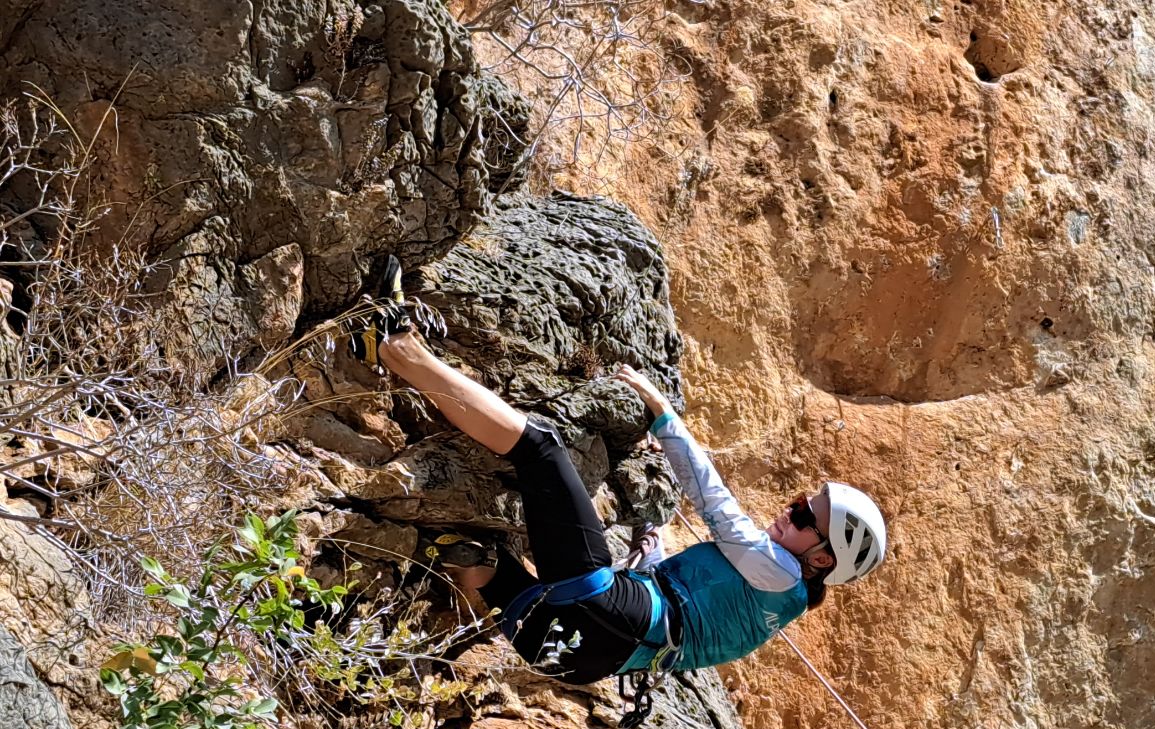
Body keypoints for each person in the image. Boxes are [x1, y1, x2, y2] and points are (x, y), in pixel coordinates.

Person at [350, 258, 887, 694]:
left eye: (803, 517)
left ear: (821, 560)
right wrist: (651, 550)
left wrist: (664, 416)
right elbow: (684, 622)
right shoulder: (778, 603)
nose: (789, 510)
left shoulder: (782, 574)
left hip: (603, 613)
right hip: (570, 655)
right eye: (799, 501)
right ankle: (381, 570)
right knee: (479, 558)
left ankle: (397, 348)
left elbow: (715, 503)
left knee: (541, 449)